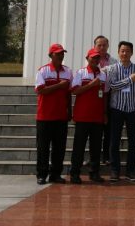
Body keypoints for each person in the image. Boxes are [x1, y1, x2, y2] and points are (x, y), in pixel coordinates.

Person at [34, 43, 73, 185]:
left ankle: (55, 174)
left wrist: (69, 111)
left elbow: (69, 93)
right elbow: (41, 90)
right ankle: (41, 174)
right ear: (51, 55)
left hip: (61, 115)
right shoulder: (43, 71)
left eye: (62, 53)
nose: (61, 56)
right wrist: (59, 85)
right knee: (43, 147)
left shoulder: (67, 71)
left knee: (59, 148)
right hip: (45, 116)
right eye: (58, 54)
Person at [106, 41, 135, 182]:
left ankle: (130, 171)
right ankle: (115, 171)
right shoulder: (113, 68)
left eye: (127, 51)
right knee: (114, 140)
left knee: (133, 141)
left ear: (131, 53)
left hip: (133, 109)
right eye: (122, 51)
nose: (124, 53)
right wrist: (129, 80)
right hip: (117, 108)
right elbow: (112, 86)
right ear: (118, 52)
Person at [70, 48, 107, 184]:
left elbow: (105, 95)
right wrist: (91, 84)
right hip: (82, 117)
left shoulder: (103, 75)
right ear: (87, 58)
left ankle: (94, 173)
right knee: (79, 147)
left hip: (97, 117)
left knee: (96, 148)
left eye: (97, 58)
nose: (95, 60)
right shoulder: (81, 72)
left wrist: (105, 113)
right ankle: (75, 173)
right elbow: (75, 91)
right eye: (93, 58)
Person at [93, 35, 117, 165]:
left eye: (104, 45)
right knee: (95, 129)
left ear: (108, 46)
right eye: (99, 45)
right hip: (95, 98)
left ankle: (106, 156)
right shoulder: (90, 59)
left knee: (109, 129)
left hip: (110, 96)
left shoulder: (114, 61)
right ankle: (94, 157)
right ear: (95, 46)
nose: (102, 47)